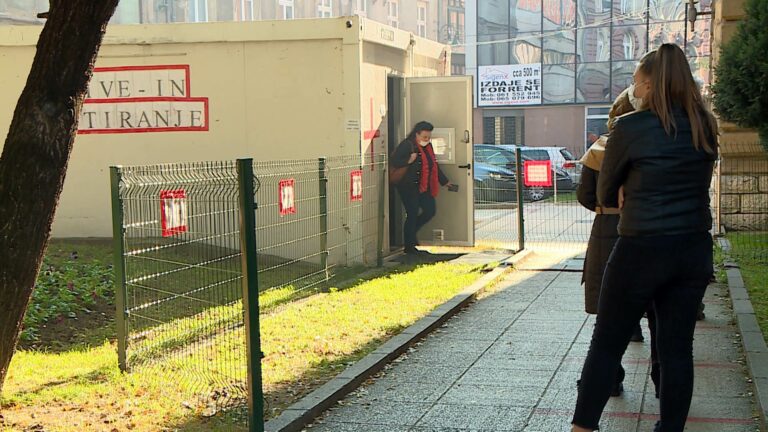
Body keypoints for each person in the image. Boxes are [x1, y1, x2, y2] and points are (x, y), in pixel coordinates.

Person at [571, 43, 718, 432]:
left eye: (636, 82)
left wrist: (627, 187)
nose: (634, 88)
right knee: (676, 350)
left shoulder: (630, 127)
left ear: (650, 84)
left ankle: (583, 426)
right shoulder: (706, 124)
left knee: (607, 341)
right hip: (693, 248)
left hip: (641, 246)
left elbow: (604, 194)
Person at [577, 89, 649, 399]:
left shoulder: (599, 149)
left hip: (608, 226)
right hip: (648, 225)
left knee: (608, 305)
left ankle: (611, 377)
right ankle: (662, 380)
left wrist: (603, 207)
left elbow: (584, 194)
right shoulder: (655, 144)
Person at [390, 121, 454, 255]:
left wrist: (445, 181)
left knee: (430, 211)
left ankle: (412, 234)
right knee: (412, 214)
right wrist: (409, 161)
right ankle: (409, 246)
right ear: (416, 134)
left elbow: (433, 166)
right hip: (408, 187)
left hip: (424, 186)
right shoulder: (407, 145)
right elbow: (394, 161)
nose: (426, 140)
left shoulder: (428, 146)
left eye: (428, 137)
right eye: (424, 137)